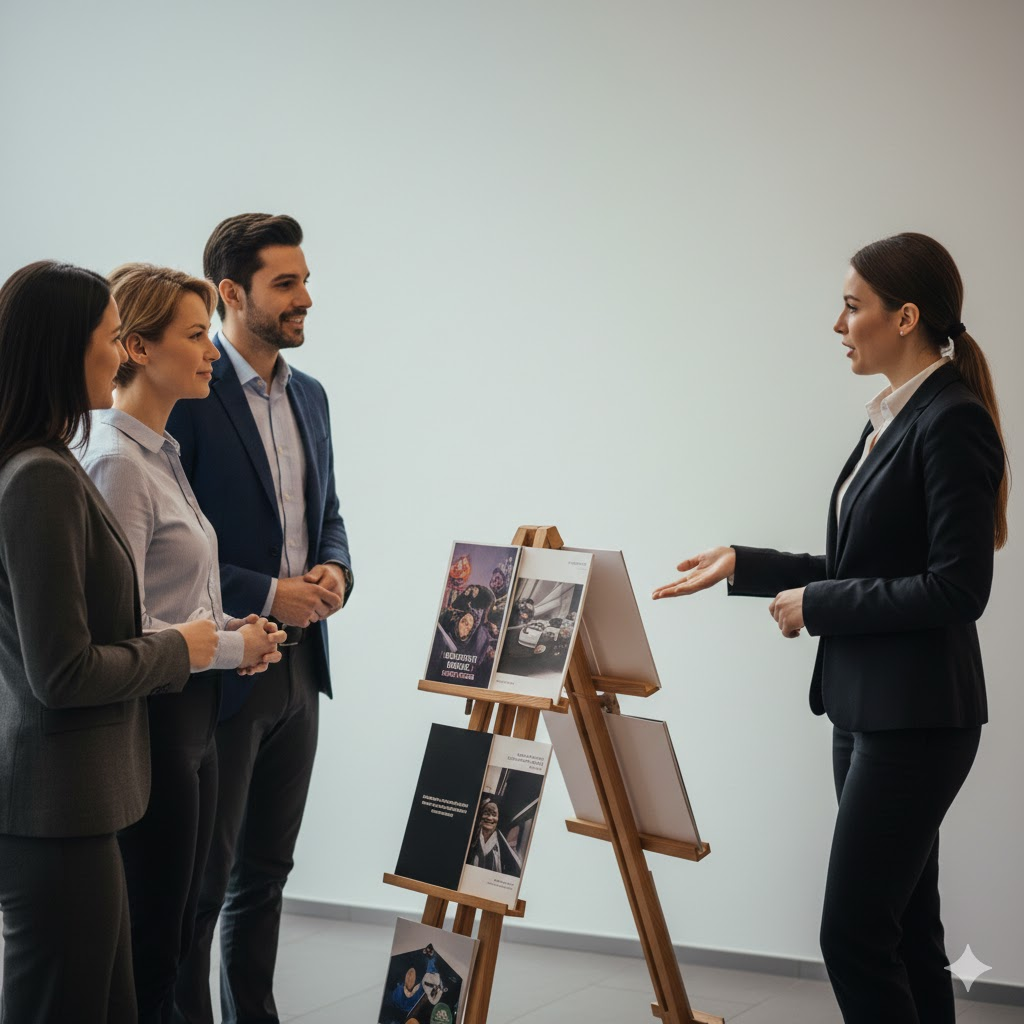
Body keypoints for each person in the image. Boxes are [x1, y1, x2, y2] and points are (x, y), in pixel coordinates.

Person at [652, 232, 1008, 1023]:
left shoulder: (950, 420)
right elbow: (859, 561)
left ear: (905, 317)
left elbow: (957, 588)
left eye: (852, 307)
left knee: (853, 936)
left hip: (917, 718)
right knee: (906, 932)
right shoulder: (894, 417)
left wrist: (818, 606)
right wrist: (744, 563)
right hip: (867, 709)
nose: (838, 324)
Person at [0, 261, 218, 1023]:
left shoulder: (50, 463)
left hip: (75, 803)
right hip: (55, 806)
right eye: (110, 336)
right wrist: (182, 650)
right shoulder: (41, 476)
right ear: (69, 347)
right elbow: (62, 672)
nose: (119, 352)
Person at [79, 263, 288, 1023]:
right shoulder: (115, 461)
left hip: (194, 715)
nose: (211, 353)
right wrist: (230, 649)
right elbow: (119, 625)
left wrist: (235, 630)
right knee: (153, 943)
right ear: (137, 349)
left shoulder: (160, 452)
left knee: (174, 932)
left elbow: (175, 598)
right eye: (196, 336)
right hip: (156, 721)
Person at [167, 214, 353, 1024]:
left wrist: (336, 570)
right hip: (224, 670)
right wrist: (269, 593)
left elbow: (328, 514)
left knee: (267, 875)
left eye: (305, 280)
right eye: (286, 283)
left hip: (302, 669)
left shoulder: (311, 395)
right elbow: (167, 548)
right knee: (203, 882)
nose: (305, 297)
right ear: (231, 294)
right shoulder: (188, 393)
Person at [465, 797, 522, 877]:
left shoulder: (502, 845)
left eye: (494, 814)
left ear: (498, 818)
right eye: (486, 813)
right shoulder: (472, 838)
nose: (489, 818)